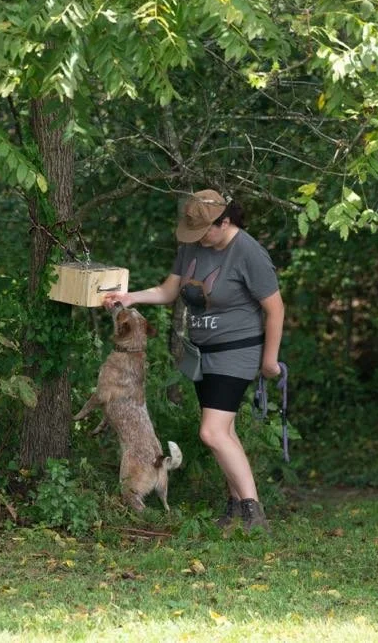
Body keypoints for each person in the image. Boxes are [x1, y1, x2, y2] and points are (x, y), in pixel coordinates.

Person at [104, 189, 284, 531]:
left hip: (238, 350)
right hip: (203, 355)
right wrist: (128, 297)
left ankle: (253, 512)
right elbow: (168, 292)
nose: (198, 240)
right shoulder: (191, 247)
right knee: (225, 432)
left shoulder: (247, 251)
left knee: (211, 432)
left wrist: (269, 360)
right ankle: (234, 507)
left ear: (225, 222)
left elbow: (275, 309)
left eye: (204, 232)